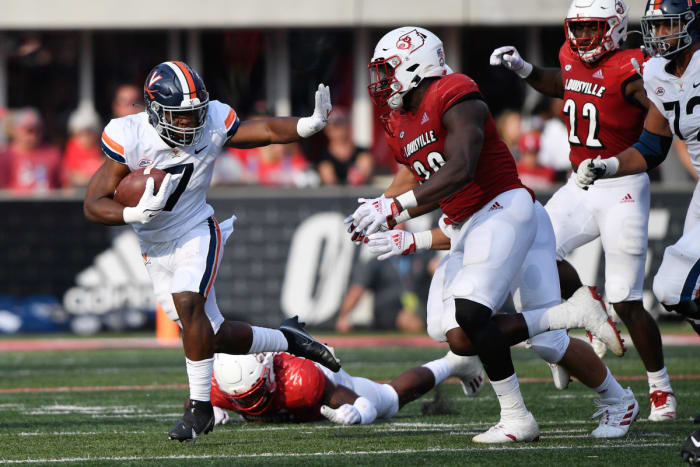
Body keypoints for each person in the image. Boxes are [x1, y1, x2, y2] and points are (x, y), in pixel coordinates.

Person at [347, 26, 633, 443]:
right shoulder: (397, 119)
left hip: (505, 208)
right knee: (462, 335)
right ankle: (599, 363)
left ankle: (518, 417)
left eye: (388, 70)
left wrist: (396, 209)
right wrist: (380, 208)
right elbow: (417, 173)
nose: (382, 81)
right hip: (469, 223)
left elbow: (460, 167)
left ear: (415, 65)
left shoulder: (453, 91)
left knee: (473, 315)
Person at [83, 60, 340, 442]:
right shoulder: (130, 135)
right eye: (180, 116)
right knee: (210, 335)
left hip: (195, 228)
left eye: (194, 114)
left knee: (189, 303)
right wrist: (133, 212)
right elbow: (93, 203)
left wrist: (309, 125)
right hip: (154, 245)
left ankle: (199, 409)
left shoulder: (213, 121)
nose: (189, 123)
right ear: (155, 111)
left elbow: (265, 129)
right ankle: (290, 340)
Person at [490, 0, 677, 422]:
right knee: (532, 247)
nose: (582, 37)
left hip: (622, 185)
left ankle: (661, 388)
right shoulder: (570, 54)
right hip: (580, 183)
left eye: (592, 27)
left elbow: (660, 120)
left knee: (626, 300)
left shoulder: (633, 66)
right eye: (578, 27)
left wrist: (613, 161)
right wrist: (525, 70)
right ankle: (579, 312)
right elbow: (566, 84)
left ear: (613, 27)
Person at [577, 2, 700, 439]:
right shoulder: (658, 74)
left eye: (669, 24)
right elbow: (650, 146)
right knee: (672, 288)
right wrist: (608, 166)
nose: (661, 34)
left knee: (675, 285)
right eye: (656, 26)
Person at [209, 350, 485, 426]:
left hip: (328, 376)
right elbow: (193, 406)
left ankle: (454, 363)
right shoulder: (221, 380)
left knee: (387, 400)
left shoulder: (303, 381)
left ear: (268, 377)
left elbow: (363, 404)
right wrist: (208, 409)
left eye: (254, 393)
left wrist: (357, 414)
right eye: (240, 399)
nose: (249, 404)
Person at [0, 108, 63, 192]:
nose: (34, 135)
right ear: (16, 130)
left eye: (38, 130)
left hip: (48, 203)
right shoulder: (6, 156)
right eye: (29, 131)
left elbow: (64, 185)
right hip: (16, 203)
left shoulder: (53, 153)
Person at [317, 107, 373, 185]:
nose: (339, 130)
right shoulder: (324, 159)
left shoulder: (362, 154)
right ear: (327, 130)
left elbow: (362, 178)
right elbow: (329, 183)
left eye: (341, 124)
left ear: (348, 126)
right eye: (335, 126)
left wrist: (358, 176)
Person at [62, 103, 104, 188]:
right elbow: (71, 177)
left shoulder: (103, 150)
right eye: (80, 134)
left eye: (89, 133)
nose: (85, 138)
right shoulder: (71, 149)